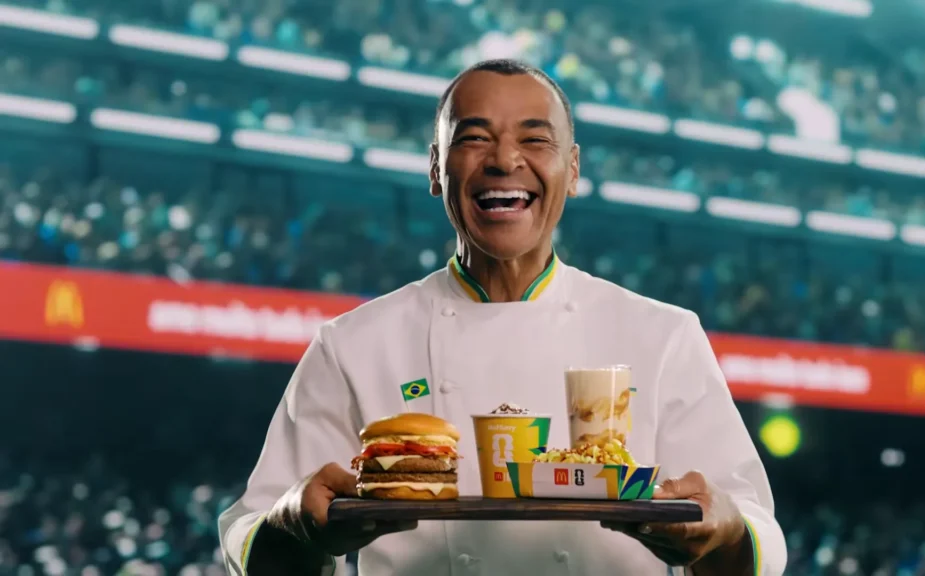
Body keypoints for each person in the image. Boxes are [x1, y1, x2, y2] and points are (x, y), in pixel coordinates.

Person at [218, 58, 787, 576]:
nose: (504, 160)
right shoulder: (353, 344)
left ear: (573, 167)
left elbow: (754, 535)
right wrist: (291, 521)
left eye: (534, 139)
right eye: (473, 139)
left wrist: (723, 532)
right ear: (437, 169)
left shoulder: (663, 336)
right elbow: (254, 538)